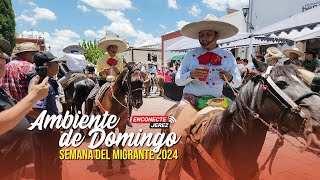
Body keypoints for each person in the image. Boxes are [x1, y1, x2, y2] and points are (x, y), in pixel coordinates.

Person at [164, 14, 241, 179]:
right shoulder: (190, 55)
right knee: (176, 136)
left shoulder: (228, 56)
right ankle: (171, 174)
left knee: (241, 132)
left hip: (218, 102)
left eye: (208, 34)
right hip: (191, 102)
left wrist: (229, 77)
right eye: (201, 34)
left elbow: (238, 82)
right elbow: (177, 81)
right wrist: (191, 74)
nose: (204, 38)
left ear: (216, 35)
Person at [0, 39, 49, 179]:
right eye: (34, 54)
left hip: (11, 107)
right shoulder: (30, 67)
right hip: (26, 108)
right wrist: (33, 97)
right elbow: (38, 92)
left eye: (1, 58)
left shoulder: (8, 66)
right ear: (30, 54)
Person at [27, 51, 63, 180]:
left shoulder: (44, 81)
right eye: (56, 64)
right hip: (46, 133)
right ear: (46, 66)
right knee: (52, 165)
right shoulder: (42, 83)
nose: (58, 66)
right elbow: (33, 110)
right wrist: (53, 123)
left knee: (43, 165)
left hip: (43, 132)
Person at [86, 34, 133, 127]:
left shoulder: (119, 60)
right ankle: (90, 116)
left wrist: (118, 71)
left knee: (130, 97)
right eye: (113, 47)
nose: (115, 49)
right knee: (90, 98)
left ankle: (127, 118)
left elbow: (121, 73)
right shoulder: (101, 59)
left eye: (116, 47)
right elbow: (98, 72)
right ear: (108, 49)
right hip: (103, 81)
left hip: (116, 83)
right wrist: (103, 72)